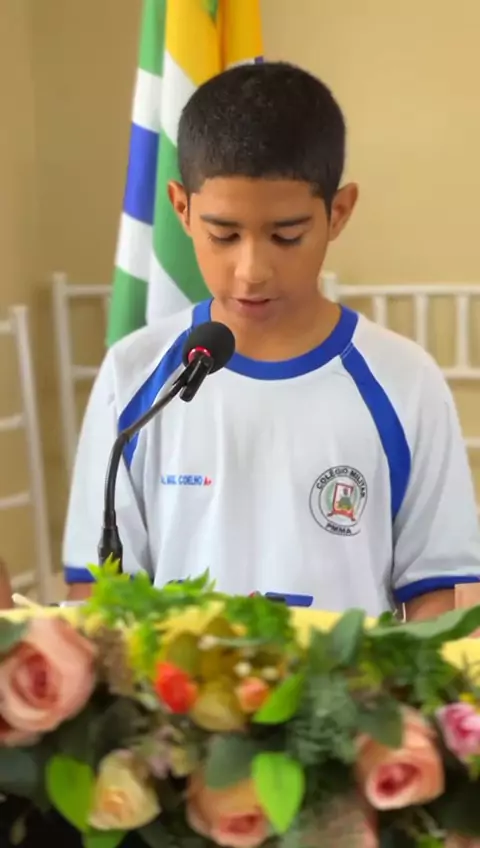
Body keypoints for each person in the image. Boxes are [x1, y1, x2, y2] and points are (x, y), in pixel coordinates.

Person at [63, 61, 480, 619]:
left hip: (348, 679)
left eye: (286, 236)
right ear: (181, 208)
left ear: (339, 212)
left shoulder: (406, 381)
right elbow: (98, 594)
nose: (251, 271)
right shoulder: (134, 373)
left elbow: (438, 597)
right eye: (224, 234)